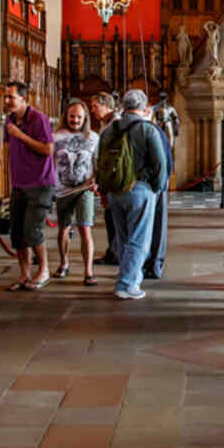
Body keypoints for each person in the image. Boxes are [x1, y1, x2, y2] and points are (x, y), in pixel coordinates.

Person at [96, 89, 168, 300]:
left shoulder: (109, 130)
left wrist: (103, 190)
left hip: (115, 191)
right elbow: (160, 164)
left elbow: (100, 162)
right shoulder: (148, 129)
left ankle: (128, 277)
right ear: (143, 106)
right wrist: (157, 188)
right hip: (140, 189)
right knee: (139, 240)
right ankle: (126, 284)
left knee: (124, 238)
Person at [4, 80, 56, 292]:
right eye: (5, 97)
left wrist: (20, 135)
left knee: (32, 230)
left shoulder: (38, 119)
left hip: (40, 183)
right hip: (19, 183)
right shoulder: (9, 120)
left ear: (24, 98)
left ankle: (43, 270)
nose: (7, 101)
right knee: (17, 233)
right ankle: (24, 274)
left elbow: (47, 150)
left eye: (11, 97)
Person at [53, 98, 99, 285]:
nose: (75, 120)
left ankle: (88, 271)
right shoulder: (56, 136)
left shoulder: (94, 137)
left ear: (85, 118)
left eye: (79, 117)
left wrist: (97, 180)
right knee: (63, 227)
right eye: (72, 116)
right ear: (66, 116)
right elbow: (49, 161)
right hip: (62, 189)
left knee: (85, 228)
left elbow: (98, 162)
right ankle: (64, 263)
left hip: (84, 188)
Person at [144, 99, 175, 280]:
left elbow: (166, 158)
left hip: (153, 185)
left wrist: (161, 184)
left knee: (154, 226)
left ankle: (153, 263)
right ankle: (150, 264)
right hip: (151, 185)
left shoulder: (157, 131)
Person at [88, 92, 120, 264]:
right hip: (105, 178)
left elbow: (111, 156)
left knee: (113, 216)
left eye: (95, 106)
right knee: (110, 216)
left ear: (106, 105)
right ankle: (113, 251)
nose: (92, 110)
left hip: (112, 179)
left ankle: (116, 253)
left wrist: (104, 183)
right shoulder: (105, 123)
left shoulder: (114, 124)